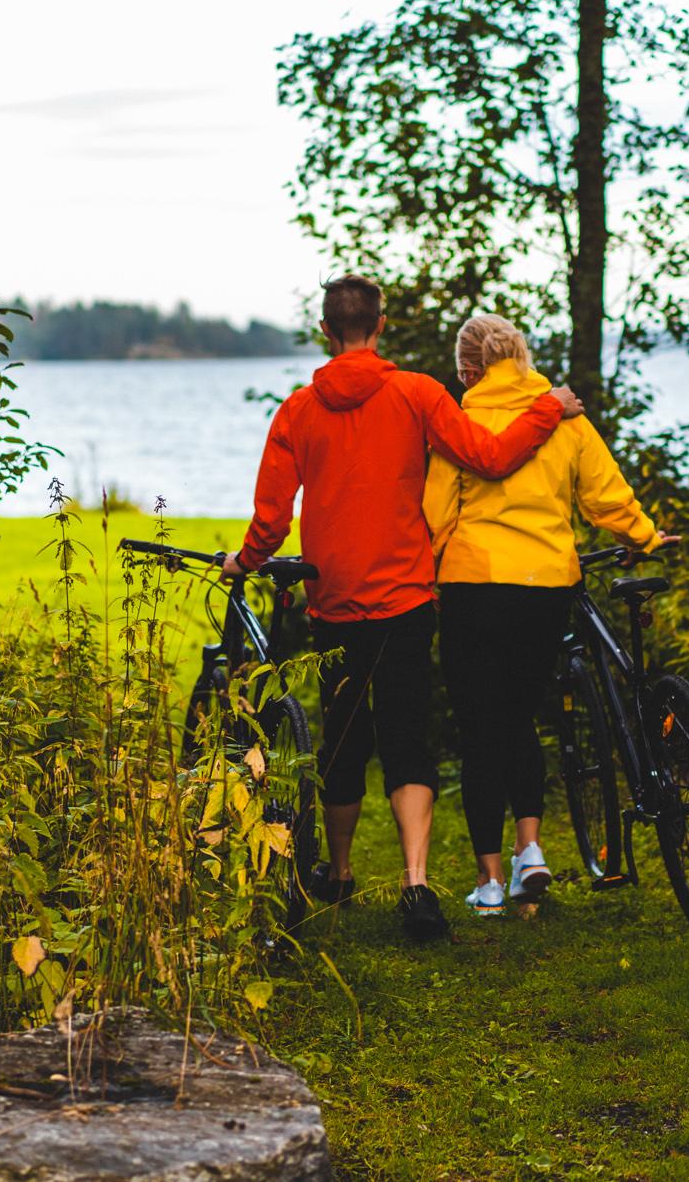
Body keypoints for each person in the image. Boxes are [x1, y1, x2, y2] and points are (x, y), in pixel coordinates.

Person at [225, 276, 584, 940]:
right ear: (381, 325)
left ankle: (337, 872)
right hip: (409, 600)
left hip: (334, 603)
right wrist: (546, 410)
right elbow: (490, 456)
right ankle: (417, 885)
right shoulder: (419, 393)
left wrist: (243, 560)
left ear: (327, 331)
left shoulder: (297, 412)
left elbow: (272, 518)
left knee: (342, 739)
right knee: (406, 740)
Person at [423, 314, 675, 917]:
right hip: (545, 585)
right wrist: (643, 535)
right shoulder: (565, 417)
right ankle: (530, 851)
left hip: (473, 585)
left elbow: (436, 514)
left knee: (479, 727)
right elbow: (605, 495)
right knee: (520, 720)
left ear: (467, 370)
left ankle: (487, 884)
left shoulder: (462, 422)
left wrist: (420, 577)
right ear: (521, 356)